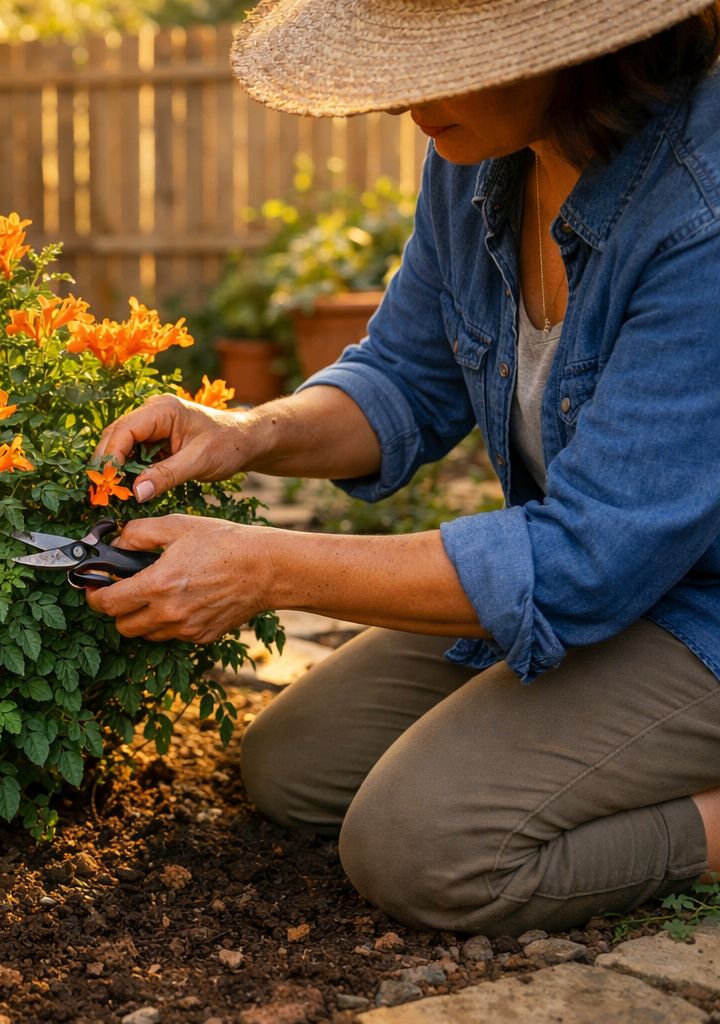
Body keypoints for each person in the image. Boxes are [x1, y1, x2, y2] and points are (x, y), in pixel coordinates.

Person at [87, 0, 720, 936]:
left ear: (572, 49)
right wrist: (247, 429)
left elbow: (587, 559)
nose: (400, 98)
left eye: (440, 58)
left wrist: (267, 568)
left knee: (421, 846)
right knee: (296, 767)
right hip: (604, 583)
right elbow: (403, 380)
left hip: (695, 608)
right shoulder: (481, 164)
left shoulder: (699, 214)